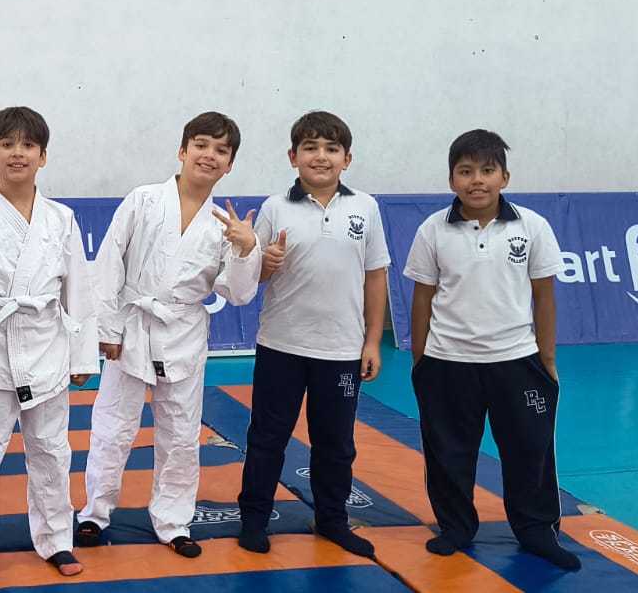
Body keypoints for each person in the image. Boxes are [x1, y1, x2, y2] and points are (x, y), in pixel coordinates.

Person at [77, 111, 260, 559]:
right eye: (201, 145)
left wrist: (245, 247)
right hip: (131, 326)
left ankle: (174, 521)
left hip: (183, 333)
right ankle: (95, 512)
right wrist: (107, 328)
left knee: (180, 434)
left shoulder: (227, 225)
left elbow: (238, 294)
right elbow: (108, 263)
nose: (209, 155)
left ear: (230, 165)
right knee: (113, 426)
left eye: (221, 150)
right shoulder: (143, 200)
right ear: (182, 150)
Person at [403, 129, 580, 570]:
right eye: (465, 172)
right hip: (448, 362)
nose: (476, 180)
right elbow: (422, 298)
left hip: (517, 361)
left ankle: (536, 530)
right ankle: (456, 527)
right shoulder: (432, 230)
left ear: (505, 177)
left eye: (487, 170)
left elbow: (544, 296)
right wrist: (421, 361)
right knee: (448, 453)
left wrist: (547, 359)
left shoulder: (532, 226)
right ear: (451, 180)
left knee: (529, 451)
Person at [0, 106, 99, 587]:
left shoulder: (62, 218)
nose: (18, 153)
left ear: (43, 156)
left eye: (28, 145)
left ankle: (56, 539)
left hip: (49, 349)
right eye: (7, 144)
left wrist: (82, 354)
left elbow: (78, 291)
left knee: (52, 452)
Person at [236, 110, 388, 557]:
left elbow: (375, 275)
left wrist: (372, 341)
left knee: (336, 443)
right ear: (293, 156)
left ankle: (332, 520)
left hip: (341, 349)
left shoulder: (365, 207)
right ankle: (254, 519)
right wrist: (265, 263)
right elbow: (251, 274)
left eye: (331, 149)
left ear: (347, 159)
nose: (321, 156)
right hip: (281, 345)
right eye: (310, 147)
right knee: (267, 438)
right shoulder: (274, 207)